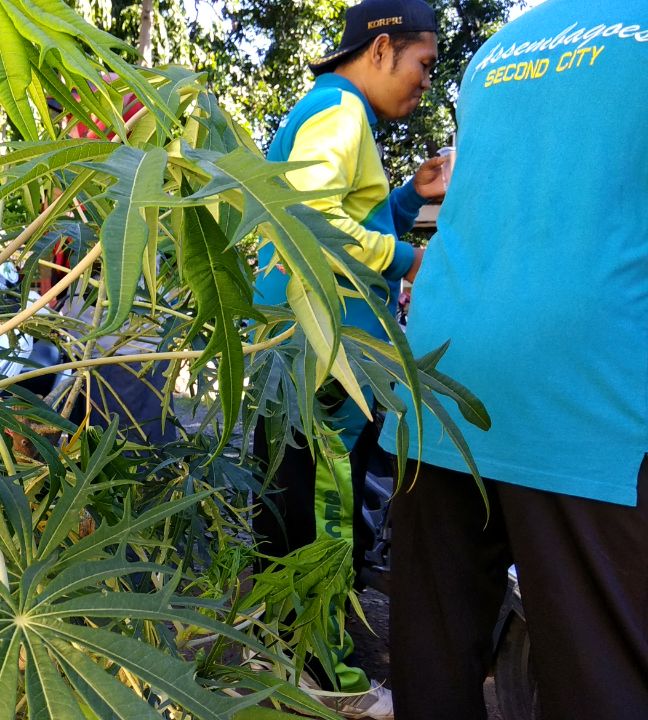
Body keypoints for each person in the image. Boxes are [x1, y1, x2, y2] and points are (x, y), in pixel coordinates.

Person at [380, 1, 648, 718]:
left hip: (441, 371)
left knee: (433, 663)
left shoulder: (500, 46)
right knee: (606, 677)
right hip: (588, 380)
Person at [250, 1, 448, 718]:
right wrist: (409, 254)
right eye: (424, 65)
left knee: (293, 502)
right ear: (383, 46)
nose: (426, 83)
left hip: (299, 346)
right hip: (329, 353)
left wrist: (404, 200)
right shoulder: (340, 112)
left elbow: (337, 215)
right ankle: (330, 677)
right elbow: (314, 226)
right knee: (334, 516)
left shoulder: (329, 110)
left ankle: (277, 648)